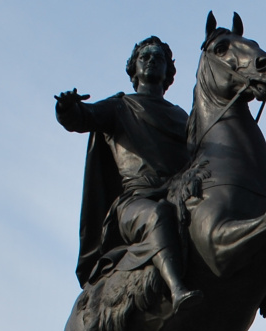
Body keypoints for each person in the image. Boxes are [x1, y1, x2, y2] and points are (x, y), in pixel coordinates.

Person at [56, 37, 198, 313]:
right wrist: (67, 108)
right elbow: (82, 118)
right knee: (157, 215)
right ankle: (178, 289)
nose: (152, 60)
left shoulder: (182, 117)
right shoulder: (120, 106)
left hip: (176, 195)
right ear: (134, 69)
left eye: (159, 58)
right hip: (135, 203)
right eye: (145, 57)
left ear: (168, 71)